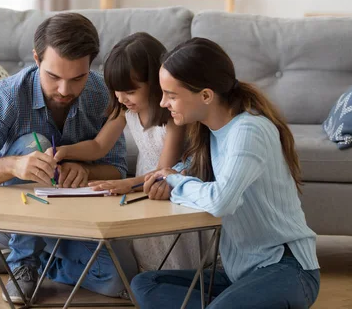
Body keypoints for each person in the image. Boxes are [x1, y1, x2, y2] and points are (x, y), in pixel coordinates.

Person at [0, 13, 137, 304]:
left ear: (91, 65)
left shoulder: (101, 94)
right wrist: (14, 165)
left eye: (78, 77)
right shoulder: (6, 96)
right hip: (17, 218)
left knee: (115, 280)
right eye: (54, 77)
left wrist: (84, 170)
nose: (65, 90)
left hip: (74, 220)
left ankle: (35, 260)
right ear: (37, 59)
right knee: (31, 144)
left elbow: (117, 170)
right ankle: (23, 262)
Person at [130, 38, 320, 308]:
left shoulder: (249, 130)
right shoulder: (210, 133)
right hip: (239, 275)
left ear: (206, 95)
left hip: (287, 268)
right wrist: (170, 179)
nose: (162, 103)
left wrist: (175, 181)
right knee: (145, 283)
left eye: (171, 95)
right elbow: (187, 174)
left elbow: (221, 200)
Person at [49, 32, 185, 194]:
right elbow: (98, 146)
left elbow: (163, 171)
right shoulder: (125, 110)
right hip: (139, 187)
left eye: (129, 91)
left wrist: (127, 184)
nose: (121, 99)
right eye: (116, 91)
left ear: (156, 82)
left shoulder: (173, 117)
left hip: (164, 189)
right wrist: (64, 150)